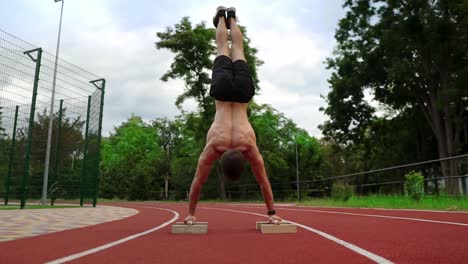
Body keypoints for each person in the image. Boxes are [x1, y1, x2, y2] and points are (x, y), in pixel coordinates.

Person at [183, 7, 282, 225]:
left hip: (243, 93)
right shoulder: (216, 146)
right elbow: (198, 181)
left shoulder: (247, 146)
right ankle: (221, 16)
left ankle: (232, 17)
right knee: (222, 47)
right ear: (221, 161)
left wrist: (191, 215)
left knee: (237, 48)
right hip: (222, 91)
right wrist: (272, 214)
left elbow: (263, 181)